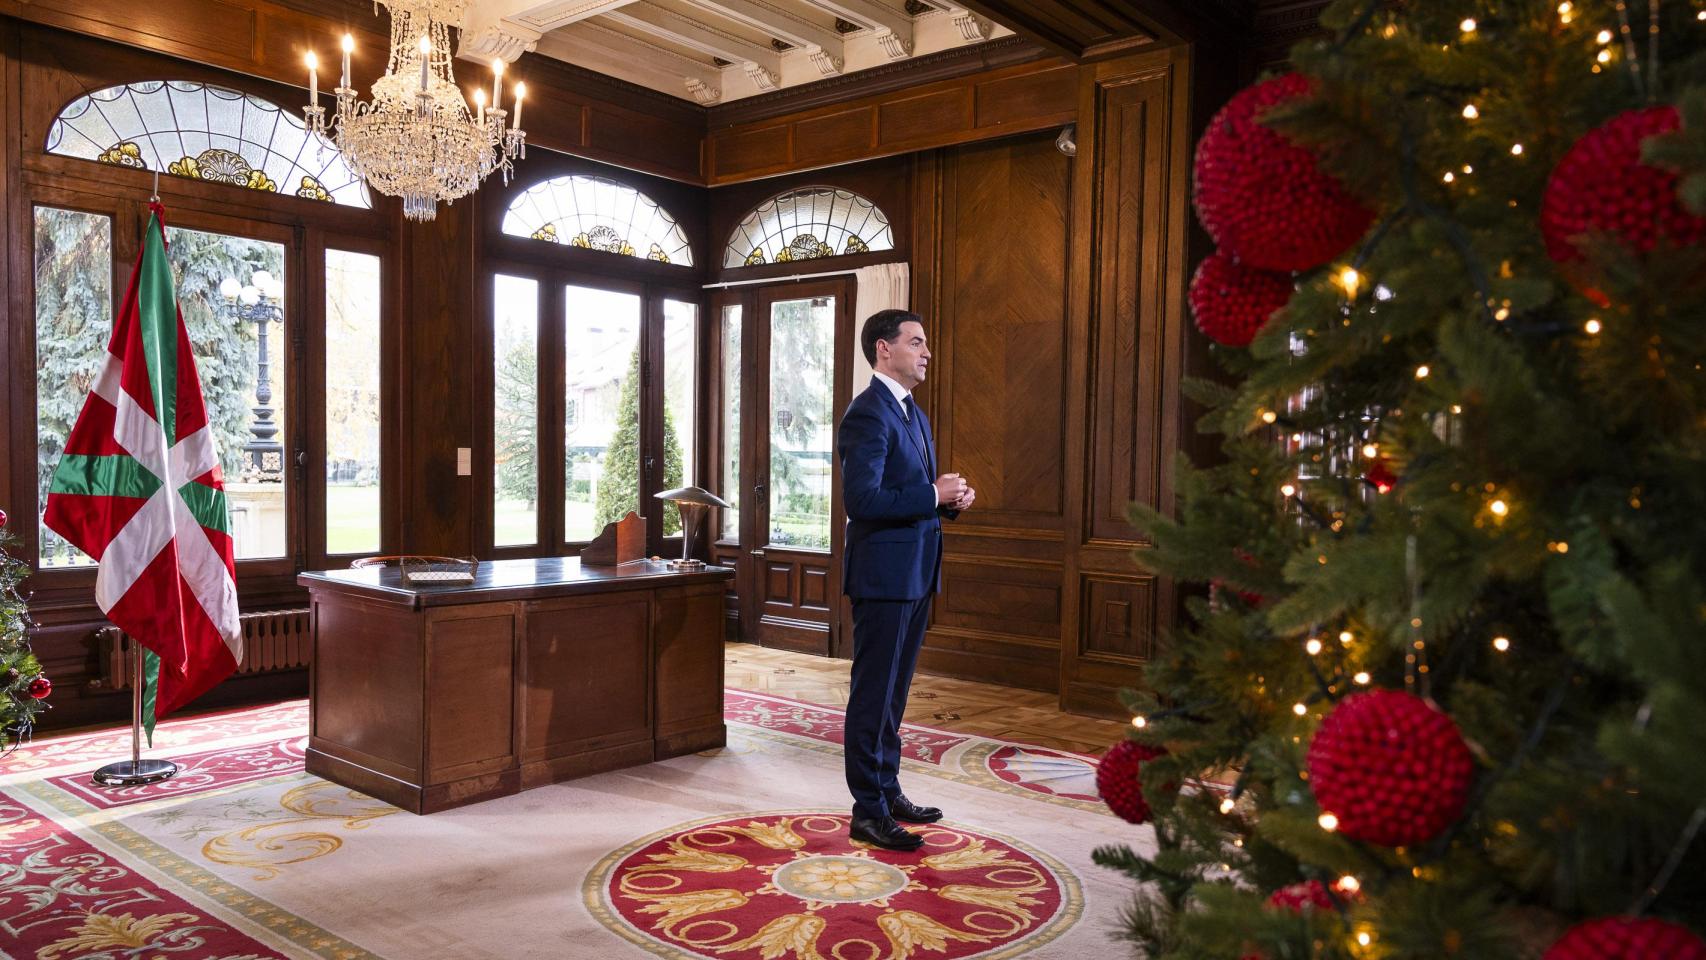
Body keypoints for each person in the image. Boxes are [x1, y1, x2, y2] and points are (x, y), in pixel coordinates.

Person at [836, 308, 975, 851]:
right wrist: (931, 495)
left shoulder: (913, 414)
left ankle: (887, 790)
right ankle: (867, 811)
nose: (926, 352)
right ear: (883, 349)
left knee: (895, 695)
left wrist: (952, 502)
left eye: (926, 343)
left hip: (916, 573)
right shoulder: (866, 414)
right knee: (873, 695)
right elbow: (863, 501)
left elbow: (916, 494)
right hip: (883, 577)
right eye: (916, 342)